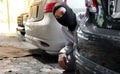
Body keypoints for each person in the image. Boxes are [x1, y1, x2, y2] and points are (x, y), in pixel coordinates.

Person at [52, 2, 80, 71]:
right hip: (77, 54)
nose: (62, 17)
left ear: (68, 10)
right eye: (58, 17)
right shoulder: (64, 28)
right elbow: (70, 44)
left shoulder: (84, 19)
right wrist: (62, 52)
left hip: (90, 54)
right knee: (66, 62)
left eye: (63, 13)